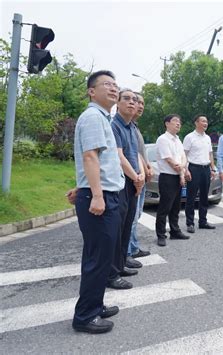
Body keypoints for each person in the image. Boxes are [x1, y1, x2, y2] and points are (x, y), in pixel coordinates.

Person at [70, 70, 124, 334]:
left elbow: (96, 162)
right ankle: (85, 316)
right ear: (92, 91)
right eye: (107, 84)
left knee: (100, 257)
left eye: (115, 85)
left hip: (98, 193)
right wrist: (97, 195)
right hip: (100, 197)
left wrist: (82, 186)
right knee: (97, 258)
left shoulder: (102, 117)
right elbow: (90, 157)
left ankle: (95, 303)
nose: (113, 88)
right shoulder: (93, 117)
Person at [107, 89, 145, 290]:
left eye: (135, 100)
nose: (132, 103)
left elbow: (134, 155)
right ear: (118, 104)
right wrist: (136, 176)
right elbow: (119, 157)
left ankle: (120, 265)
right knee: (118, 228)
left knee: (127, 225)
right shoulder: (115, 126)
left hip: (133, 182)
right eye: (127, 99)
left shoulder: (131, 127)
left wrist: (139, 177)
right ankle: (111, 274)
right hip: (121, 182)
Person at [155, 114, 190, 247]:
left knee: (176, 207)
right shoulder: (163, 139)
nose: (178, 124)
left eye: (179, 121)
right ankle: (161, 235)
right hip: (167, 177)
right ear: (167, 124)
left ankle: (175, 231)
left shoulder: (178, 140)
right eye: (175, 121)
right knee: (165, 207)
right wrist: (180, 170)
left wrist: (181, 173)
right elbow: (169, 160)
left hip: (177, 176)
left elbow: (183, 157)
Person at [128, 93, 152, 258]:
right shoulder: (124, 126)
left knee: (137, 215)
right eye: (137, 102)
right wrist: (144, 169)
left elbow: (140, 153)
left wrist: (148, 166)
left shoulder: (134, 127)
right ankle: (128, 251)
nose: (140, 106)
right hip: (133, 177)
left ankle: (133, 247)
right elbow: (132, 154)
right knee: (131, 217)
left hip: (141, 176)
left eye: (142, 103)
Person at [183, 114, 217, 233]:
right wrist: (185, 170)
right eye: (203, 121)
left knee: (204, 196)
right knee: (191, 197)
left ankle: (203, 221)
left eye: (206, 121)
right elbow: (184, 155)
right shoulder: (189, 137)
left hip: (205, 169)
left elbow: (210, 154)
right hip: (194, 168)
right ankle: (190, 223)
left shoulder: (207, 138)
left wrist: (213, 169)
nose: (205, 123)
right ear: (196, 123)